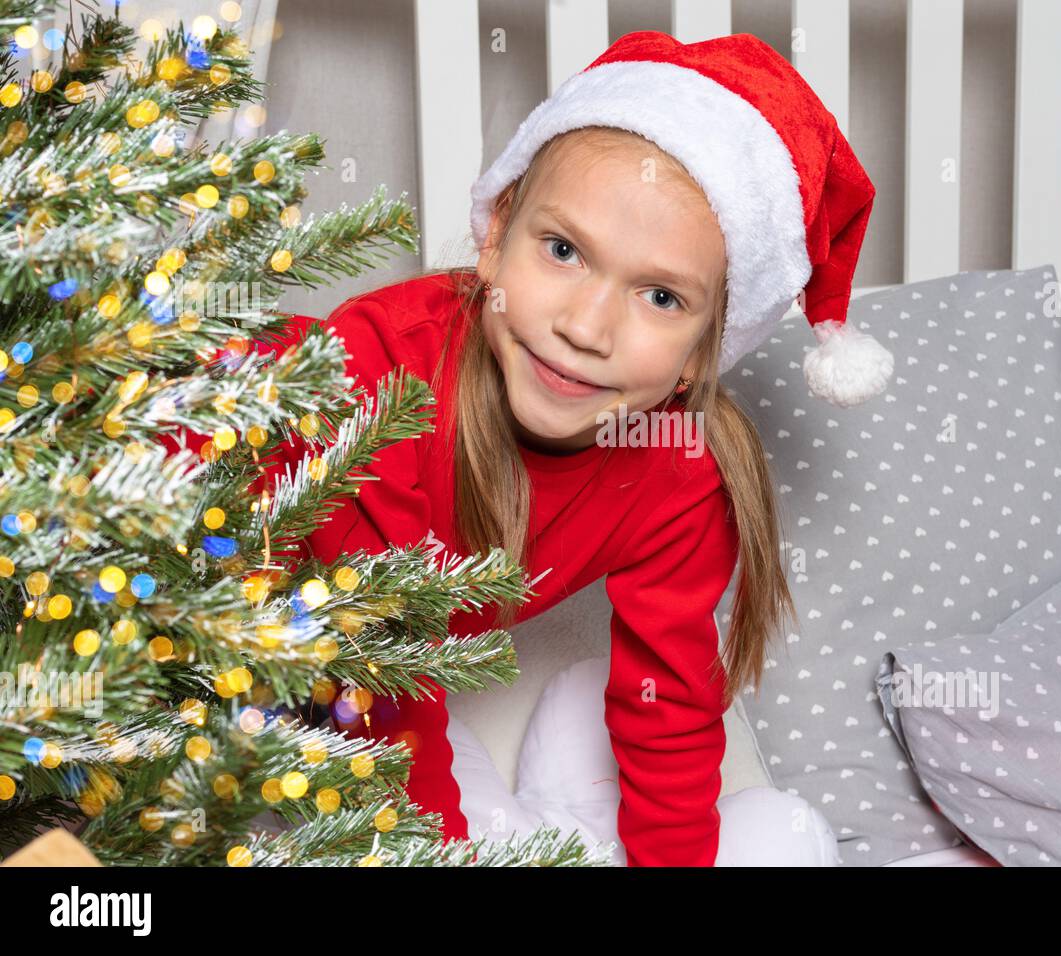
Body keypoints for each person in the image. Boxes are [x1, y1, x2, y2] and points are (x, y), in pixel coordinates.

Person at [190, 30, 895, 866]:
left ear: (705, 350)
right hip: (187, 633)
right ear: (494, 236)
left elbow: (666, 705)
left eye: (661, 296)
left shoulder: (681, 465)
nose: (584, 328)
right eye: (563, 252)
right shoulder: (381, 379)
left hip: (355, 685)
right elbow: (382, 695)